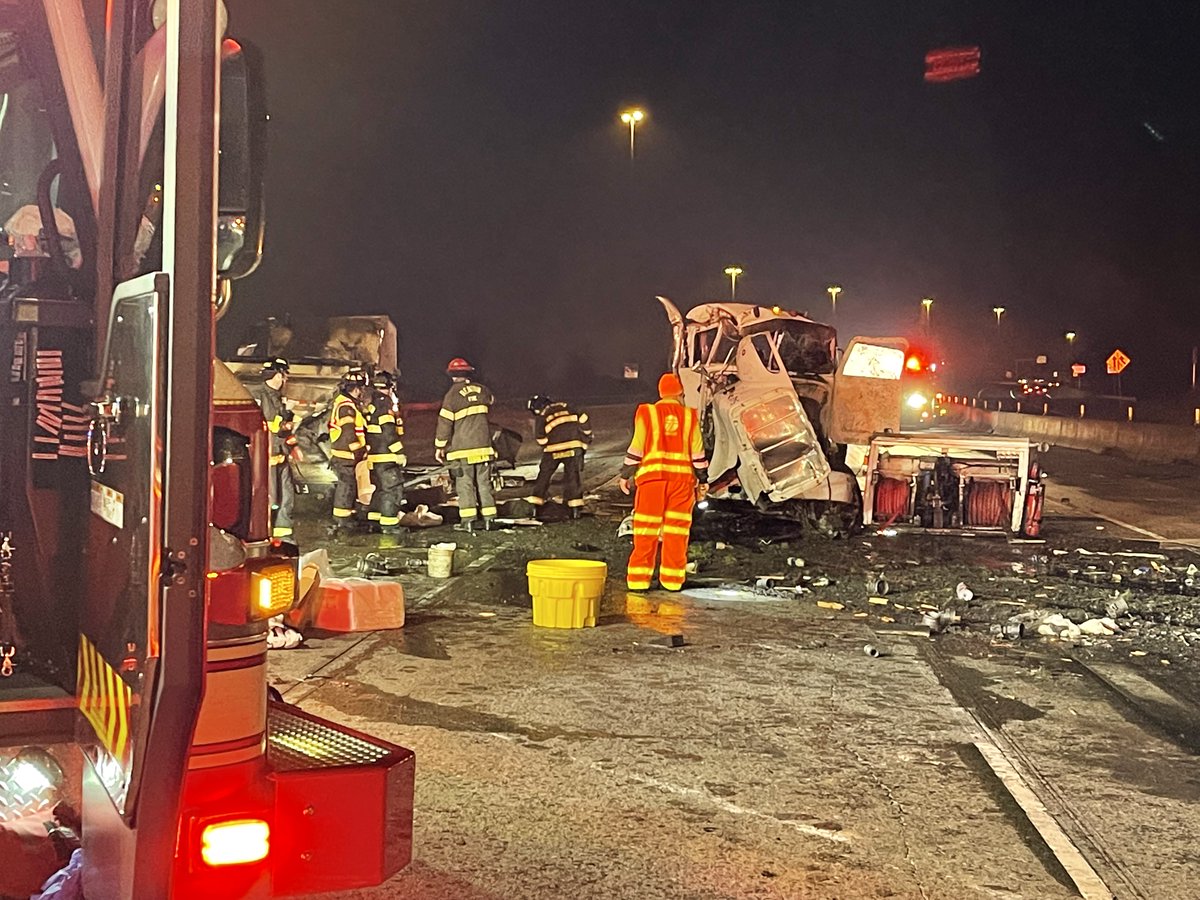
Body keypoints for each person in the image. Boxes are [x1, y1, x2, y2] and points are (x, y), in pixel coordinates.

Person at [619, 373, 708, 591]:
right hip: (682, 484)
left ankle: (638, 581)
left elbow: (637, 447)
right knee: (676, 532)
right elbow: (698, 453)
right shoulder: (689, 417)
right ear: (680, 393)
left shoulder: (647, 413)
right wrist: (703, 480)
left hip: (652, 482)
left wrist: (625, 474)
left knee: (646, 531)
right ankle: (672, 581)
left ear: (660, 393)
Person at [435, 358, 496, 531]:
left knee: (465, 484)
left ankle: (468, 521)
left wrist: (440, 446)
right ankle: (489, 519)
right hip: (484, 447)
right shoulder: (483, 390)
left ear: (452, 375)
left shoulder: (451, 396)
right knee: (484, 483)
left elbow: (444, 423)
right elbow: (491, 401)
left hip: (462, 450)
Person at [247, 357, 297, 538]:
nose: (286, 380)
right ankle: (263, 534)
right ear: (278, 375)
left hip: (280, 454)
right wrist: (287, 417)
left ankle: (283, 536)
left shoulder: (274, 396)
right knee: (271, 499)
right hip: (267, 457)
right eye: (285, 375)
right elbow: (270, 425)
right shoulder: (259, 395)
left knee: (287, 498)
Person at [524, 395, 592, 518]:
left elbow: (540, 439)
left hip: (553, 449)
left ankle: (535, 506)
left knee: (544, 477)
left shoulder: (543, 415)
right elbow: (584, 418)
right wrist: (586, 435)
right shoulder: (568, 407)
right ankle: (575, 509)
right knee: (573, 477)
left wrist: (549, 443)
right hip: (573, 446)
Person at [327, 368, 369, 532]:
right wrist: (359, 450)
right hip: (346, 454)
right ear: (356, 388)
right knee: (346, 487)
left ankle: (347, 517)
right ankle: (342, 520)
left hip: (346, 454)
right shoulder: (346, 406)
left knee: (349, 487)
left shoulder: (346, 403)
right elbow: (349, 432)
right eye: (361, 388)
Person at [365, 370, 406, 533]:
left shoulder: (372, 402)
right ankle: (390, 525)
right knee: (392, 489)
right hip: (386, 455)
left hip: (374, 456)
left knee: (380, 489)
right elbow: (389, 431)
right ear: (389, 387)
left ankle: (374, 522)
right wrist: (399, 452)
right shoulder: (385, 403)